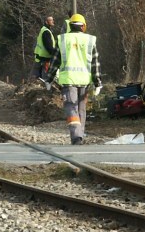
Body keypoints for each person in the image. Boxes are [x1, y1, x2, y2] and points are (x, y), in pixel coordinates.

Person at [41, 13, 102, 145]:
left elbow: (55, 61)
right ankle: (80, 135)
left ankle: (76, 136)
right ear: (83, 26)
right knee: (81, 108)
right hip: (85, 81)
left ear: (70, 25)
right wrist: (97, 83)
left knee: (70, 106)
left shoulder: (63, 39)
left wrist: (49, 80)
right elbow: (95, 64)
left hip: (68, 80)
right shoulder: (90, 40)